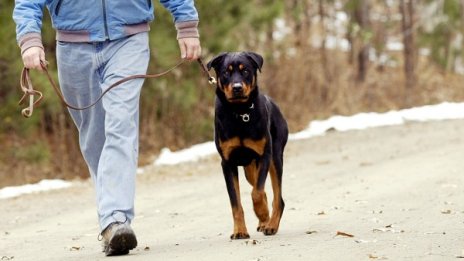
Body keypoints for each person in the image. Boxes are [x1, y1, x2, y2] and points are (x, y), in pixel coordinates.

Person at [13, 0, 201, 256]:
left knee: (121, 124)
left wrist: (186, 25)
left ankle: (115, 219)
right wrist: (29, 37)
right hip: (72, 45)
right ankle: (112, 218)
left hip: (128, 39)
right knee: (94, 138)